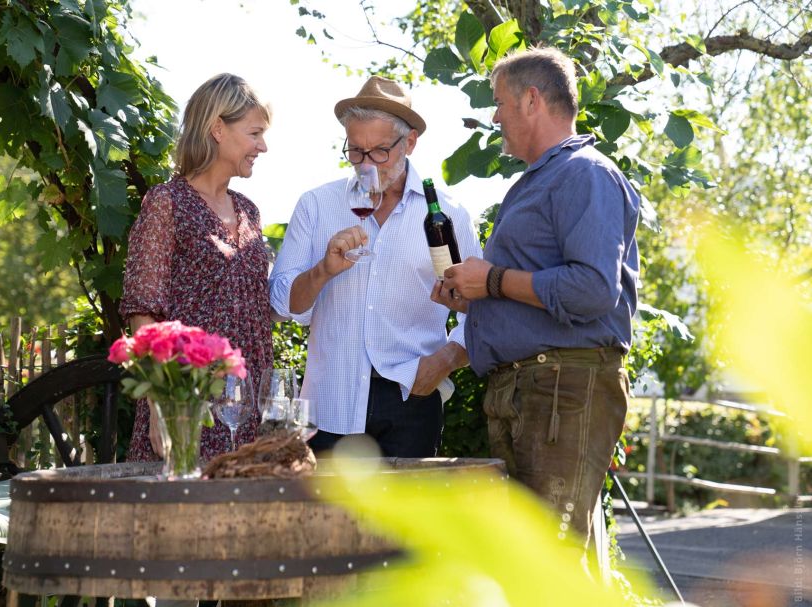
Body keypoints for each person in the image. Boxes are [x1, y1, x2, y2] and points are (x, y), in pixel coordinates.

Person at [436, 48, 640, 548]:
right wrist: (476, 299)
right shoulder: (542, 180)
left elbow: (592, 289)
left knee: (549, 559)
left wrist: (492, 282)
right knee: (537, 561)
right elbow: (538, 288)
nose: (494, 117)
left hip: (560, 390)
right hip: (536, 391)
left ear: (531, 100)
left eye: (499, 103)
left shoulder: (584, 173)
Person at [269, 76, 482, 457]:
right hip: (330, 404)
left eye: (380, 152)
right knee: (324, 501)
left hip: (412, 399)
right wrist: (323, 271)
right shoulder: (316, 205)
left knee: (409, 502)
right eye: (356, 151)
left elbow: (480, 311)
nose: (366, 165)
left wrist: (445, 361)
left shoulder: (449, 214)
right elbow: (282, 305)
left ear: (410, 142)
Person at [120, 72, 272, 466]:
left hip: (246, 408)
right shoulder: (166, 202)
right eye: (254, 133)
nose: (263, 146)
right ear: (218, 129)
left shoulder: (249, 211)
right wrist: (161, 406)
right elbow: (143, 314)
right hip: (187, 406)